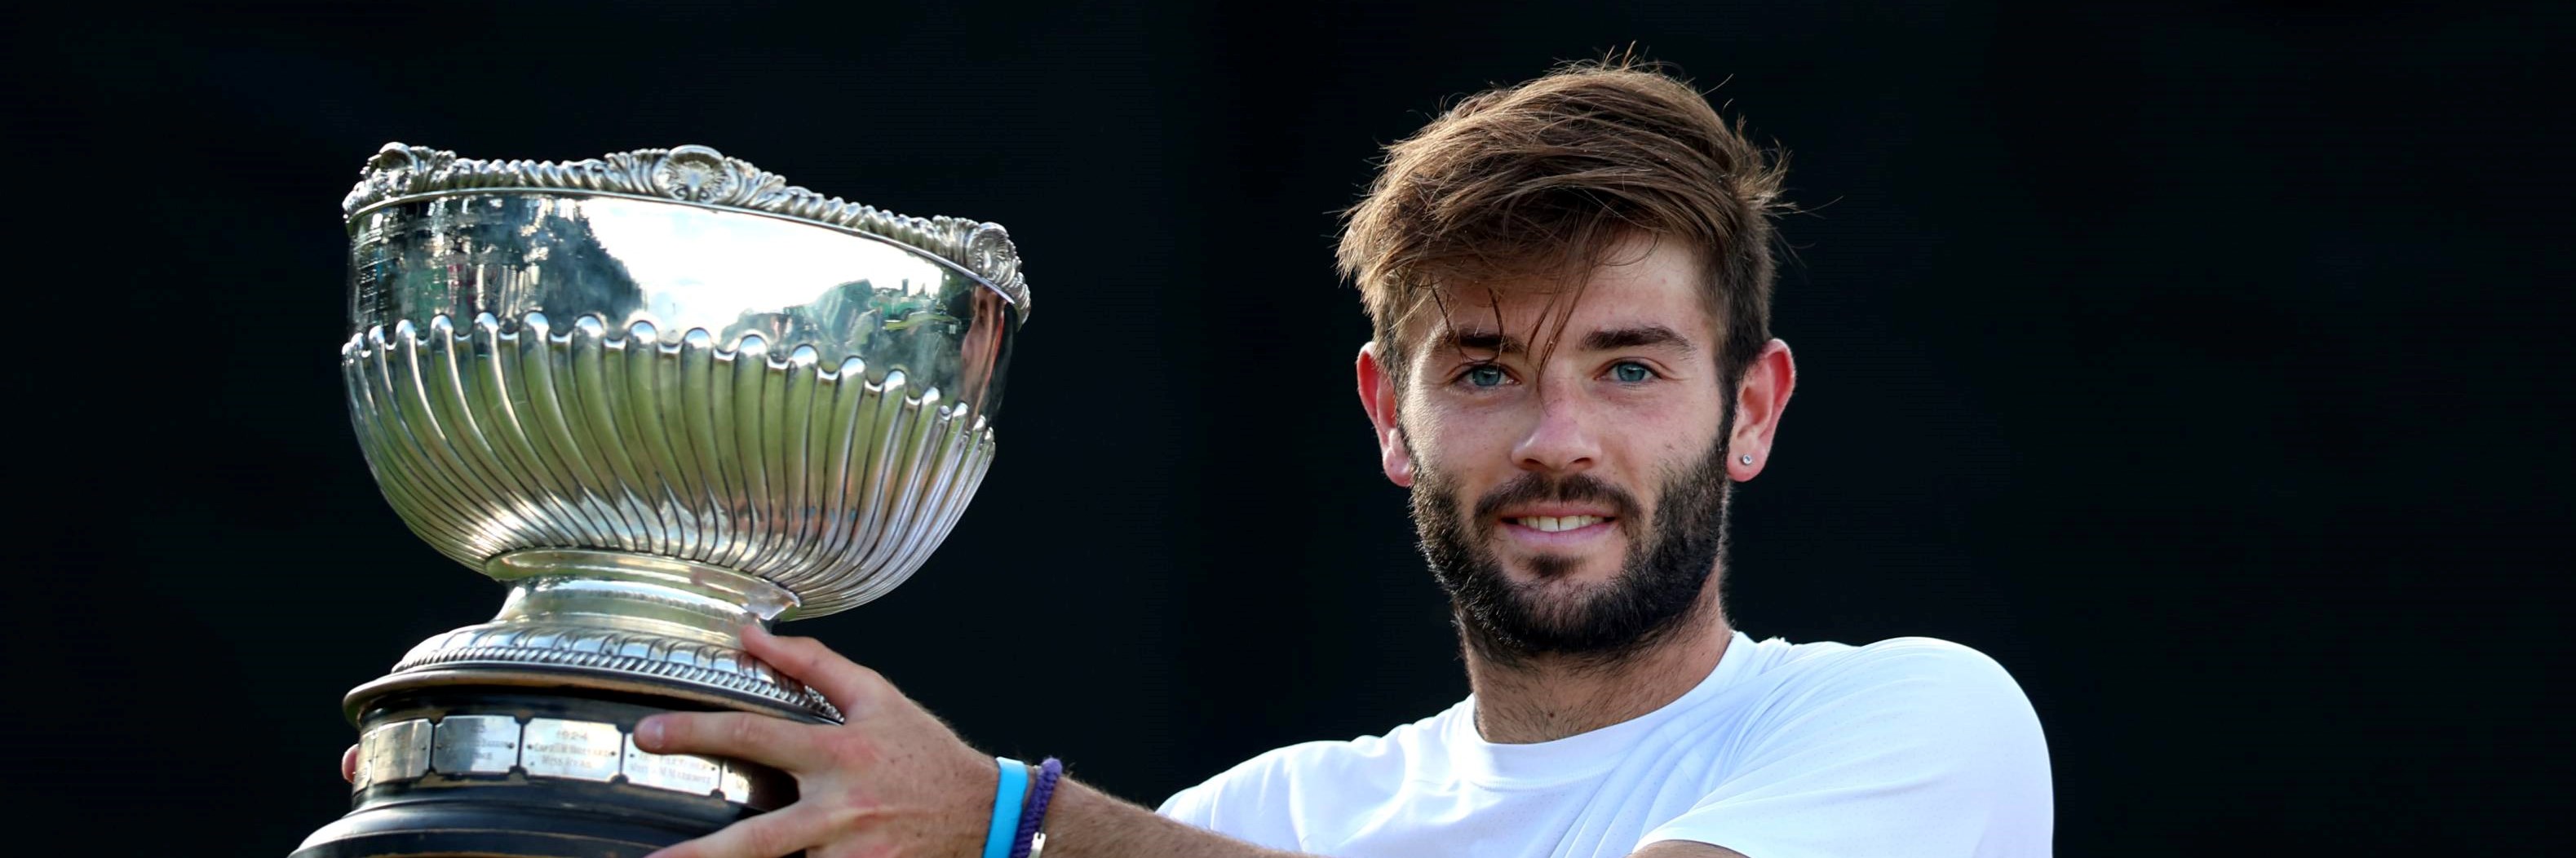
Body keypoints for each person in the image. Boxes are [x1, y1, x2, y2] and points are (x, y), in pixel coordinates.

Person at [343, 59, 2053, 858]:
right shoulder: (1257, 824)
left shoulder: (1921, 726)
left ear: (1749, 409)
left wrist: (1013, 821)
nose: (1556, 439)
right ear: (1387, 416)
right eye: (1484, 368)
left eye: (1628, 366)